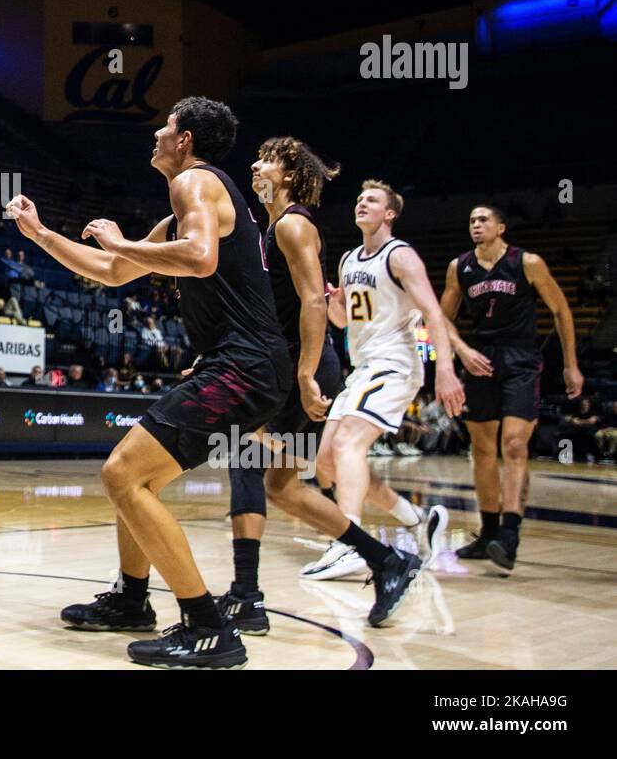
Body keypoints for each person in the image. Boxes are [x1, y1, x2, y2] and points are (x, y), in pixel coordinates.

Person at [7, 96, 302, 669]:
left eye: (166, 126)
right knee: (135, 474)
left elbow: (197, 259)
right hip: (244, 365)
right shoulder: (190, 198)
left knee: (123, 474)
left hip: (242, 366)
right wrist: (40, 232)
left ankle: (207, 626)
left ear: (186, 139)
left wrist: (119, 240)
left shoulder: (195, 182)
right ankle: (131, 600)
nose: (157, 134)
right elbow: (115, 272)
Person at [223, 138, 445, 635]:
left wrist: (303, 375)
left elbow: (313, 304)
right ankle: (387, 561)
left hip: (302, 365)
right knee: (281, 486)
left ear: (288, 175)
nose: (255, 164)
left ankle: (246, 596)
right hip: (296, 362)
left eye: (267, 159)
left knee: (243, 453)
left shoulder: (294, 224)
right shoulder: (275, 226)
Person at [312, 180, 464, 603]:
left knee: (347, 447)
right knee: (326, 464)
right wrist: (333, 303)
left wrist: (445, 370)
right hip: (363, 367)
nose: (362, 203)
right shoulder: (347, 258)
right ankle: (416, 519)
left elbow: (432, 313)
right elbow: (344, 322)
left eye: (372, 200)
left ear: (390, 213)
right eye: (360, 198)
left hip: (395, 363)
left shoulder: (400, 255)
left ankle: (351, 541)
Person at [439, 204, 584, 571]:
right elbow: (440, 318)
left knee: (515, 444)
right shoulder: (460, 268)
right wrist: (462, 350)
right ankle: (488, 533)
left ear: (501, 227)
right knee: (482, 449)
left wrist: (570, 365)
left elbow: (561, 310)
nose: (476, 225)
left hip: (521, 359)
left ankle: (510, 533)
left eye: (483, 219)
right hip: (480, 358)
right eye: (471, 220)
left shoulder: (527, 262)